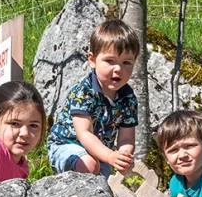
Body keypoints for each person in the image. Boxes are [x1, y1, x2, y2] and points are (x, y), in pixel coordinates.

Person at [47, 19, 140, 178]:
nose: (118, 69)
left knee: (105, 185)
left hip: (101, 154)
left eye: (126, 62)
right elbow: (84, 133)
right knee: (89, 166)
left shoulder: (128, 98)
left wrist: (122, 156)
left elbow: (126, 137)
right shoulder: (84, 91)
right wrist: (110, 156)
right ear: (92, 60)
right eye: (110, 61)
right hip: (67, 147)